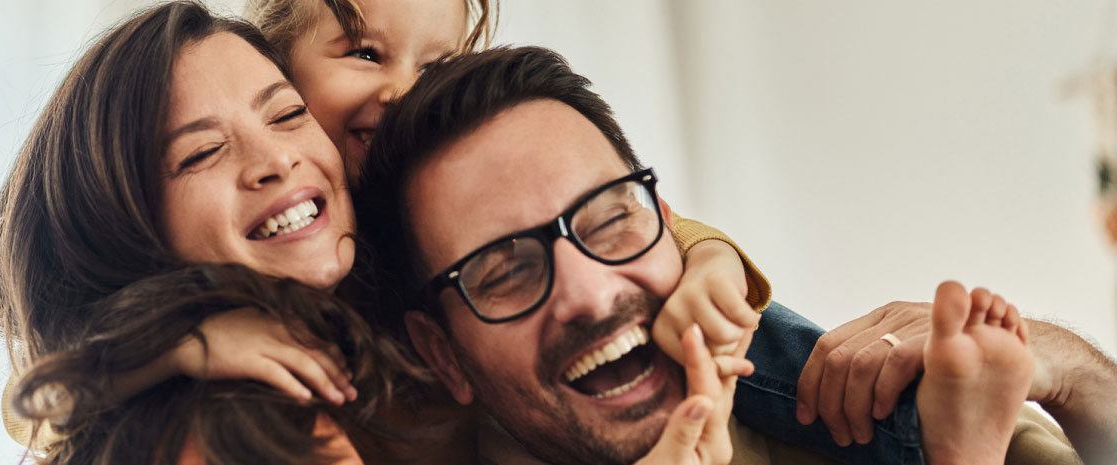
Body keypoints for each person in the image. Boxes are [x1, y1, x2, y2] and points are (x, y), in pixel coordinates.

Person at [0, 2, 795, 463]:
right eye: (365, 53)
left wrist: (713, 254)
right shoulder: (223, 403)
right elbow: (50, 399)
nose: (405, 91)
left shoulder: (417, 211)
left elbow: (608, 228)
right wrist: (179, 341)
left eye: (284, 118)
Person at [352, 45, 1116, 464]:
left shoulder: (805, 409)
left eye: (610, 218)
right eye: (504, 268)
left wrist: (1067, 369)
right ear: (440, 353)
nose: (588, 291)